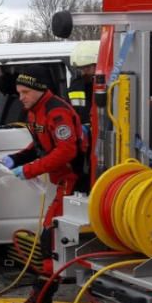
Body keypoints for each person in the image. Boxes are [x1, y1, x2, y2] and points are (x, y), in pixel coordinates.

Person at [0, 67, 86, 303]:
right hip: (61, 181)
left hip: (74, 180)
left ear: (38, 90)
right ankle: (42, 301)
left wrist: (29, 170)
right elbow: (39, 144)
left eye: (25, 92)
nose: (21, 97)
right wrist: (15, 159)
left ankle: (41, 301)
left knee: (51, 237)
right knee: (51, 236)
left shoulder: (56, 111)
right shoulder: (34, 111)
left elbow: (66, 150)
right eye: (19, 92)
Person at [66, 40, 98, 192]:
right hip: (80, 141)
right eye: (81, 68)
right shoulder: (75, 85)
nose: (83, 72)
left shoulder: (109, 85)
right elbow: (71, 109)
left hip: (99, 141)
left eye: (87, 67)